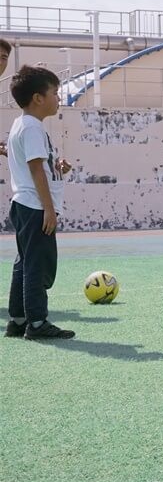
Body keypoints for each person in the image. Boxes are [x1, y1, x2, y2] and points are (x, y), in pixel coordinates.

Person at [5, 65, 74, 340]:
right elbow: (35, 170)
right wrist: (49, 209)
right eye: (55, 92)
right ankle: (37, 323)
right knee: (38, 265)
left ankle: (18, 319)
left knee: (24, 262)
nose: (58, 98)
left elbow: (37, 164)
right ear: (38, 97)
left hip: (23, 203)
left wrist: (56, 166)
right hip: (34, 206)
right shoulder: (32, 127)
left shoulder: (21, 124)